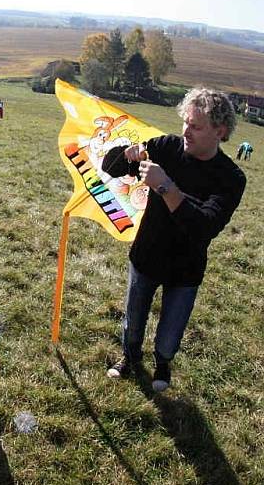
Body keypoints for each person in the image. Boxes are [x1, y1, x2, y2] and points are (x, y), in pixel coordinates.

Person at [102, 87, 246, 392]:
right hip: (145, 257)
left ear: (220, 132)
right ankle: (129, 357)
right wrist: (124, 153)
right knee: (134, 319)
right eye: (185, 122)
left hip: (185, 270)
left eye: (195, 126)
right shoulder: (166, 147)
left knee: (170, 334)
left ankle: (163, 363)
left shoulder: (231, 178)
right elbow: (111, 168)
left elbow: (204, 226)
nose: (186, 131)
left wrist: (166, 186)